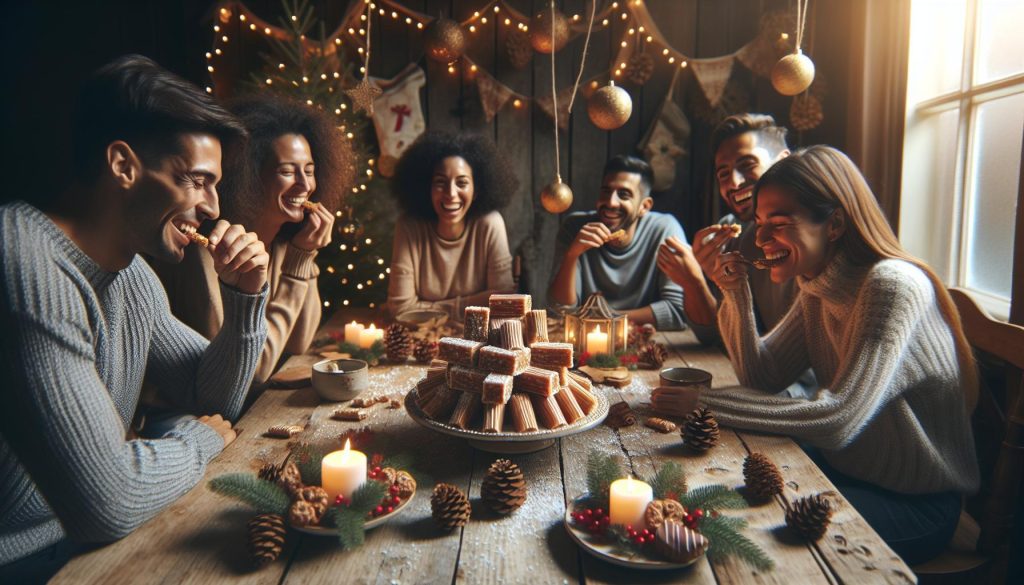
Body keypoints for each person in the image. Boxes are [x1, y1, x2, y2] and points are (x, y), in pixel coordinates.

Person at [0, 55, 269, 581]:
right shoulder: (22, 258)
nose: (212, 207)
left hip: (84, 540)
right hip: (25, 560)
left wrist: (245, 299)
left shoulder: (132, 276)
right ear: (122, 166)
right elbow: (108, 500)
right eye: (196, 180)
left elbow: (211, 399)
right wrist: (197, 441)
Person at [700, 145, 979, 564]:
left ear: (834, 225)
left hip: (917, 504)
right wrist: (734, 292)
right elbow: (762, 378)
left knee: (741, 536)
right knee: (712, 499)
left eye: (777, 223)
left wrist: (700, 403)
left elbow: (838, 420)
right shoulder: (817, 284)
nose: (757, 239)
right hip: (847, 471)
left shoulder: (891, 285)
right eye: (758, 223)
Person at [150, 94, 352, 385]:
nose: (305, 185)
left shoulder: (286, 247)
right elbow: (252, 372)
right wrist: (299, 264)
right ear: (250, 177)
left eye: (309, 171)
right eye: (286, 171)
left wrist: (305, 256)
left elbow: (299, 343)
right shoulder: (206, 254)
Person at [656, 113, 794, 345]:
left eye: (747, 165)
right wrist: (696, 281)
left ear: (783, 163)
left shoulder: (811, 235)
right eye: (723, 174)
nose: (734, 182)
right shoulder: (734, 231)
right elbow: (717, 339)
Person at [387, 130, 516, 318]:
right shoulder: (409, 227)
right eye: (440, 182)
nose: (451, 194)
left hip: (480, 339)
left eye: (461, 183)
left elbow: (504, 301)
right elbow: (399, 309)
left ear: (477, 190)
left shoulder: (490, 224)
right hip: (422, 339)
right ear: (426, 188)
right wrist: (475, 304)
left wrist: (430, 308)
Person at [550, 155, 687, 329]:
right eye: (606, 191)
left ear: (644, 206)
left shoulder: (665, 229)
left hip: (649, 341)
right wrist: (572, 255)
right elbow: (559, 311)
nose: (610, 202)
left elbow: (676, 311)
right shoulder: (575, 227)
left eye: (623, 195)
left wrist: (604, 318)